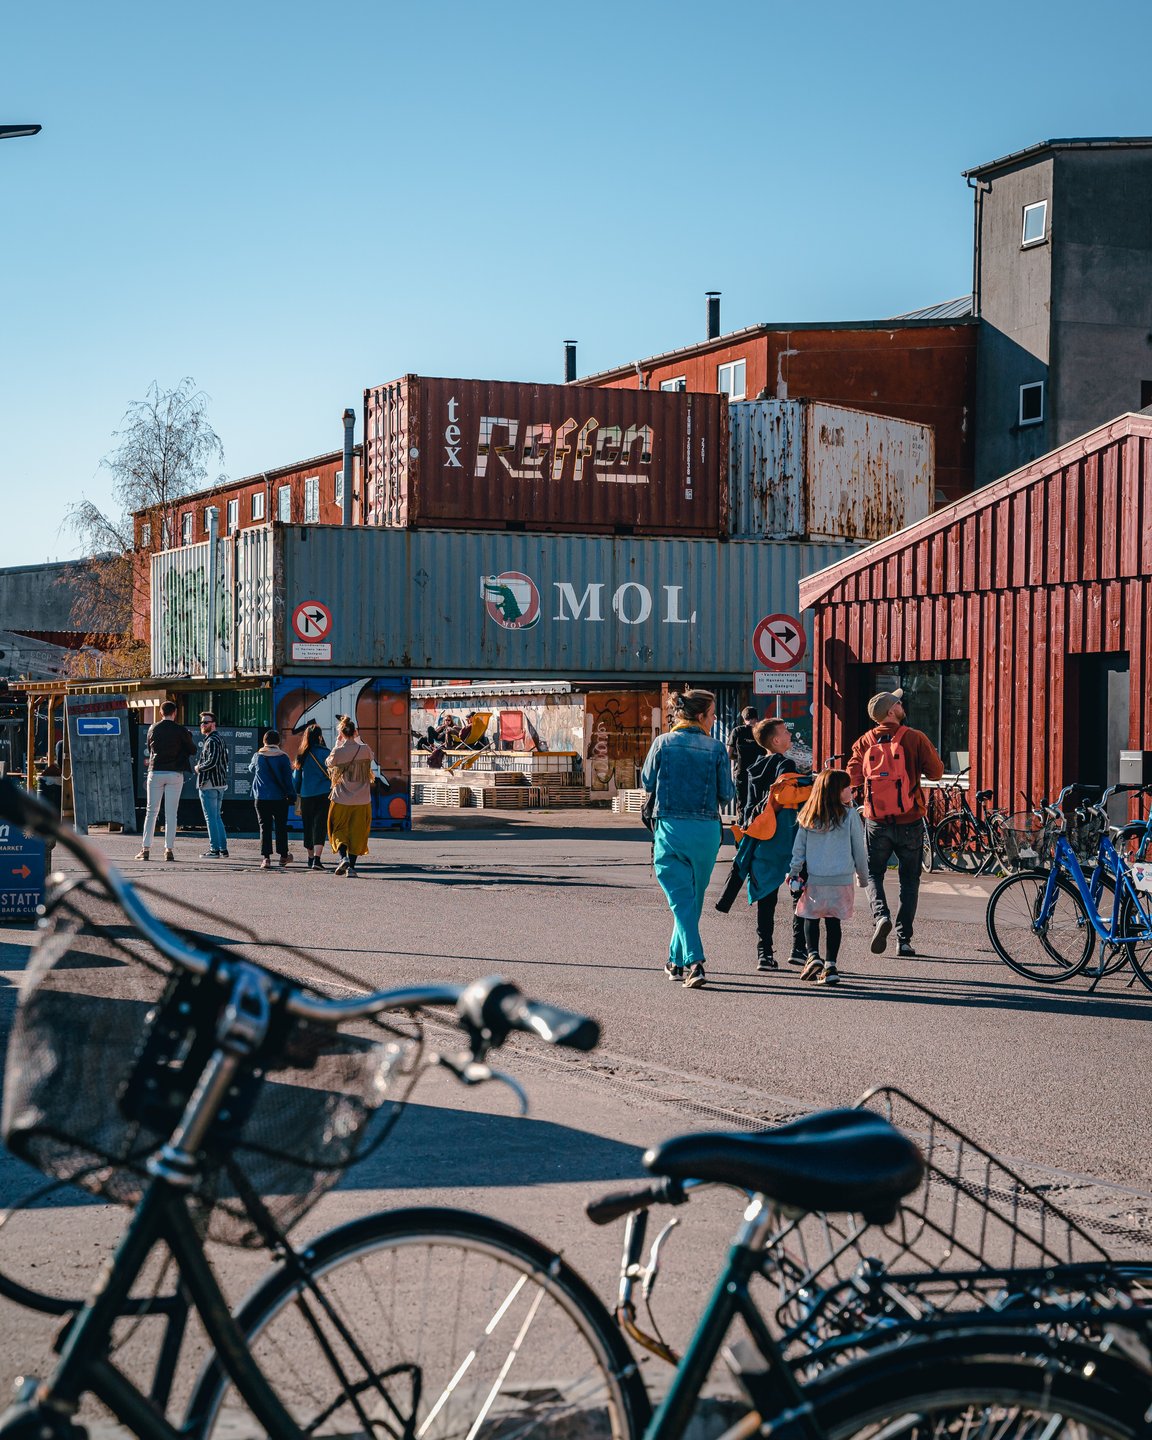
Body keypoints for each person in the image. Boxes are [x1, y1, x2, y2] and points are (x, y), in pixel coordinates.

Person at [640, 688, 733, 990]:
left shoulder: (662, 743)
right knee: (691, 900)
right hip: (706, 831)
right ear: (701, 716)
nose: (715, 719)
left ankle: (695, 962)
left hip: (671, 828)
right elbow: (726, 793)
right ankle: (675, 961)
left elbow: (646, 781)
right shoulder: (716, 748)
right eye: (713, 714)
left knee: (681, 900)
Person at [847, 689, 945, 958]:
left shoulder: (865, 741)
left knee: (873, 874)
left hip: (876, 821)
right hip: (910, 819)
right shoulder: (914, 737)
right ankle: (904, 940)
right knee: (909, 881)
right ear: (891, 712)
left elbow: (852, 777)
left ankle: (881, 916)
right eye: (898, 703)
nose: (902, 705)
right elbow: (937, 773)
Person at [788, 768, 869, 987]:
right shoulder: (850, 816)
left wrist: (794, 872)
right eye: (847, 787)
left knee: (810, 917)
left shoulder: (809, 815)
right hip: (841, 880)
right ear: (836, 791)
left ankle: (813, 955)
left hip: (816, 879)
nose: (851, 790)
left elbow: (799, 849)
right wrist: (863, 877)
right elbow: (859, 850)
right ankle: (831, 966)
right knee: (834, 922)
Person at [743, 717, 808, 972]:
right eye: (785, 733)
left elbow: (748, 806)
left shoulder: (754, 768)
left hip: (762, 838)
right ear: (776, 740)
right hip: (787, 836)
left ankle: (765, 953)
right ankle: (799, 948)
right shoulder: (786, 764)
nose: (790, 735)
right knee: (799, 890)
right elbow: (789, 795)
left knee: (766, 897)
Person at [136, 700, 196, 862]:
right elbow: (192, 750)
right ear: (174, 713)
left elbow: (150, 749)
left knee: (151, 812)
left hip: (156, 771)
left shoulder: (153, 728)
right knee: (171, 813)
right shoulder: (180, 730)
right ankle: (168, 850)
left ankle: (145, 849)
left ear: (161, 713)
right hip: (175, 773)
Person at [327, 714, 374, 877]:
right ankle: (351, 868)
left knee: (338, 829)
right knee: (358, 832)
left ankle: (343, 857)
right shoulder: (365, 749)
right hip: (363, 800)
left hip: (341, 799)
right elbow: (371, 756)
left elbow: (329, 763)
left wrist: (338, 743)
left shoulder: (338, 751)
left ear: (341, 733)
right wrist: (358, 739)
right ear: (355, 732)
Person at [249, 730, 296, 870]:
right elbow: (288, 779)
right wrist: (292, 795)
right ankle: (283, 856)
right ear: (278, 742)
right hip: (279, 798)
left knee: (265, 827)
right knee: (281, 826)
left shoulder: (257, 756)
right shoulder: (283, 757)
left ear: (264, 742)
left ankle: (266, 858)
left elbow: (251, 769)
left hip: (261, 797)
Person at [293, 721, 331, 870]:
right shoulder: (327, 753)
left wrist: (297, 792)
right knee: (320, 826)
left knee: (308, 826)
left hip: (306, 795)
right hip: (324, 794)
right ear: (320, 737)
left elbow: (296, 779)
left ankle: (309, 858)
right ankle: (317, 859)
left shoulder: (302, 755)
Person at [194, 711, 230, 858]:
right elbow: (225, 760)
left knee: (211, 818)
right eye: (202, 722)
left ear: (213, 724)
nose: (203, 725)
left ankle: (214, 850)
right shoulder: (219, 739)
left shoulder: (212, 740)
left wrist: (199, 767)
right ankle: (223, 849)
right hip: (219, 784)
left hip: (209, 784)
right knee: (216, 817)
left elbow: (212, 761)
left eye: (206, 722)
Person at [727, 705, 760, 817]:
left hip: (741, 773)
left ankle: (742, 823)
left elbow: (728, 754)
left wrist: (738, 757)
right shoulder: (761, 732)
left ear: (744, 718)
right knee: (757, 803)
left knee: (742, 803)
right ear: (757, 718)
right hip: (759, 774)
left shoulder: (737, 731)